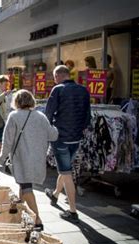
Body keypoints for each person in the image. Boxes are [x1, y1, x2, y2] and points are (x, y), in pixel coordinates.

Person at [0, 89, 58, 229]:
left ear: (16, 101)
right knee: (24, 185)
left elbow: (8, 141)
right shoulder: (41, 116)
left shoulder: (14, 116)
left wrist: (1, 158)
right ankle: (20, 211)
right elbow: (53, 136)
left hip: (22, 159)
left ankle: (37, 220)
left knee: (26, 187)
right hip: (38, 159)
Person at [44, 65, 91, 223]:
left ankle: (72, 211)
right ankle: (55, 194)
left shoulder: (58, 90)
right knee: (65, 170)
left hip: (61, 137)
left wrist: (48, 131)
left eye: (54, 77)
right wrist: (78, 130)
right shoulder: (83, 90)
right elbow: (87, 117)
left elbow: (48, 114)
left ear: (58, 76)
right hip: (75, 138)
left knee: (66, 173)